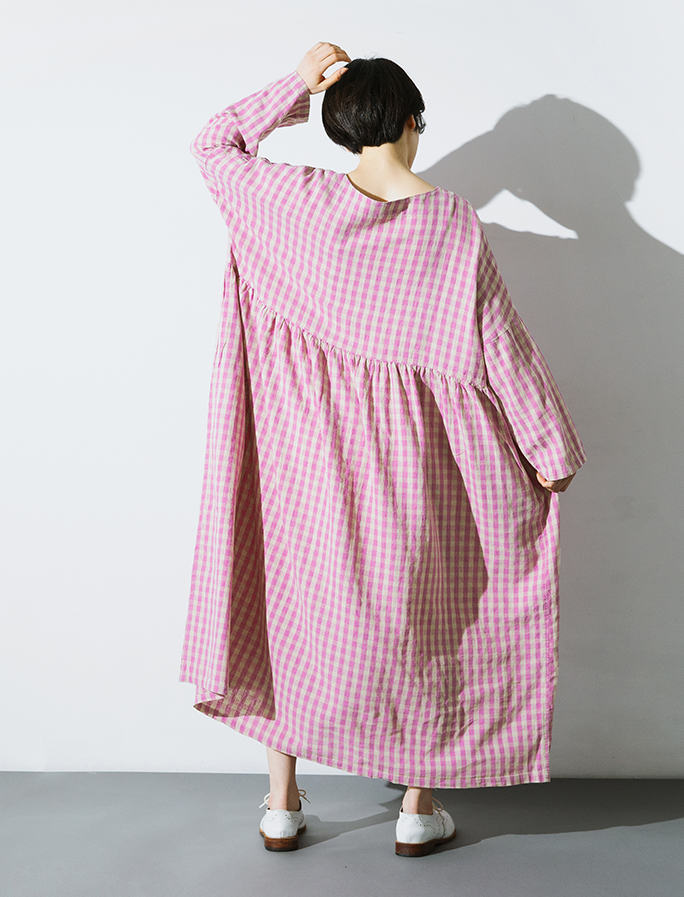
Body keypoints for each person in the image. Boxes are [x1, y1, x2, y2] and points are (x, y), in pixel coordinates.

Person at [180, 42, 585, 856]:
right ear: (412, 122)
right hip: (411, 466)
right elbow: (500, 342)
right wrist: (550, 451)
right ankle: (415, 809)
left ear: (339, 126)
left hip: (297, 460)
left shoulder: (288, 200)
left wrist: (295, 82)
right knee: (424, 617)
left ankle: (282, 804)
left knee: (288, 612)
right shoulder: (449, 223)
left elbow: (213, 143)